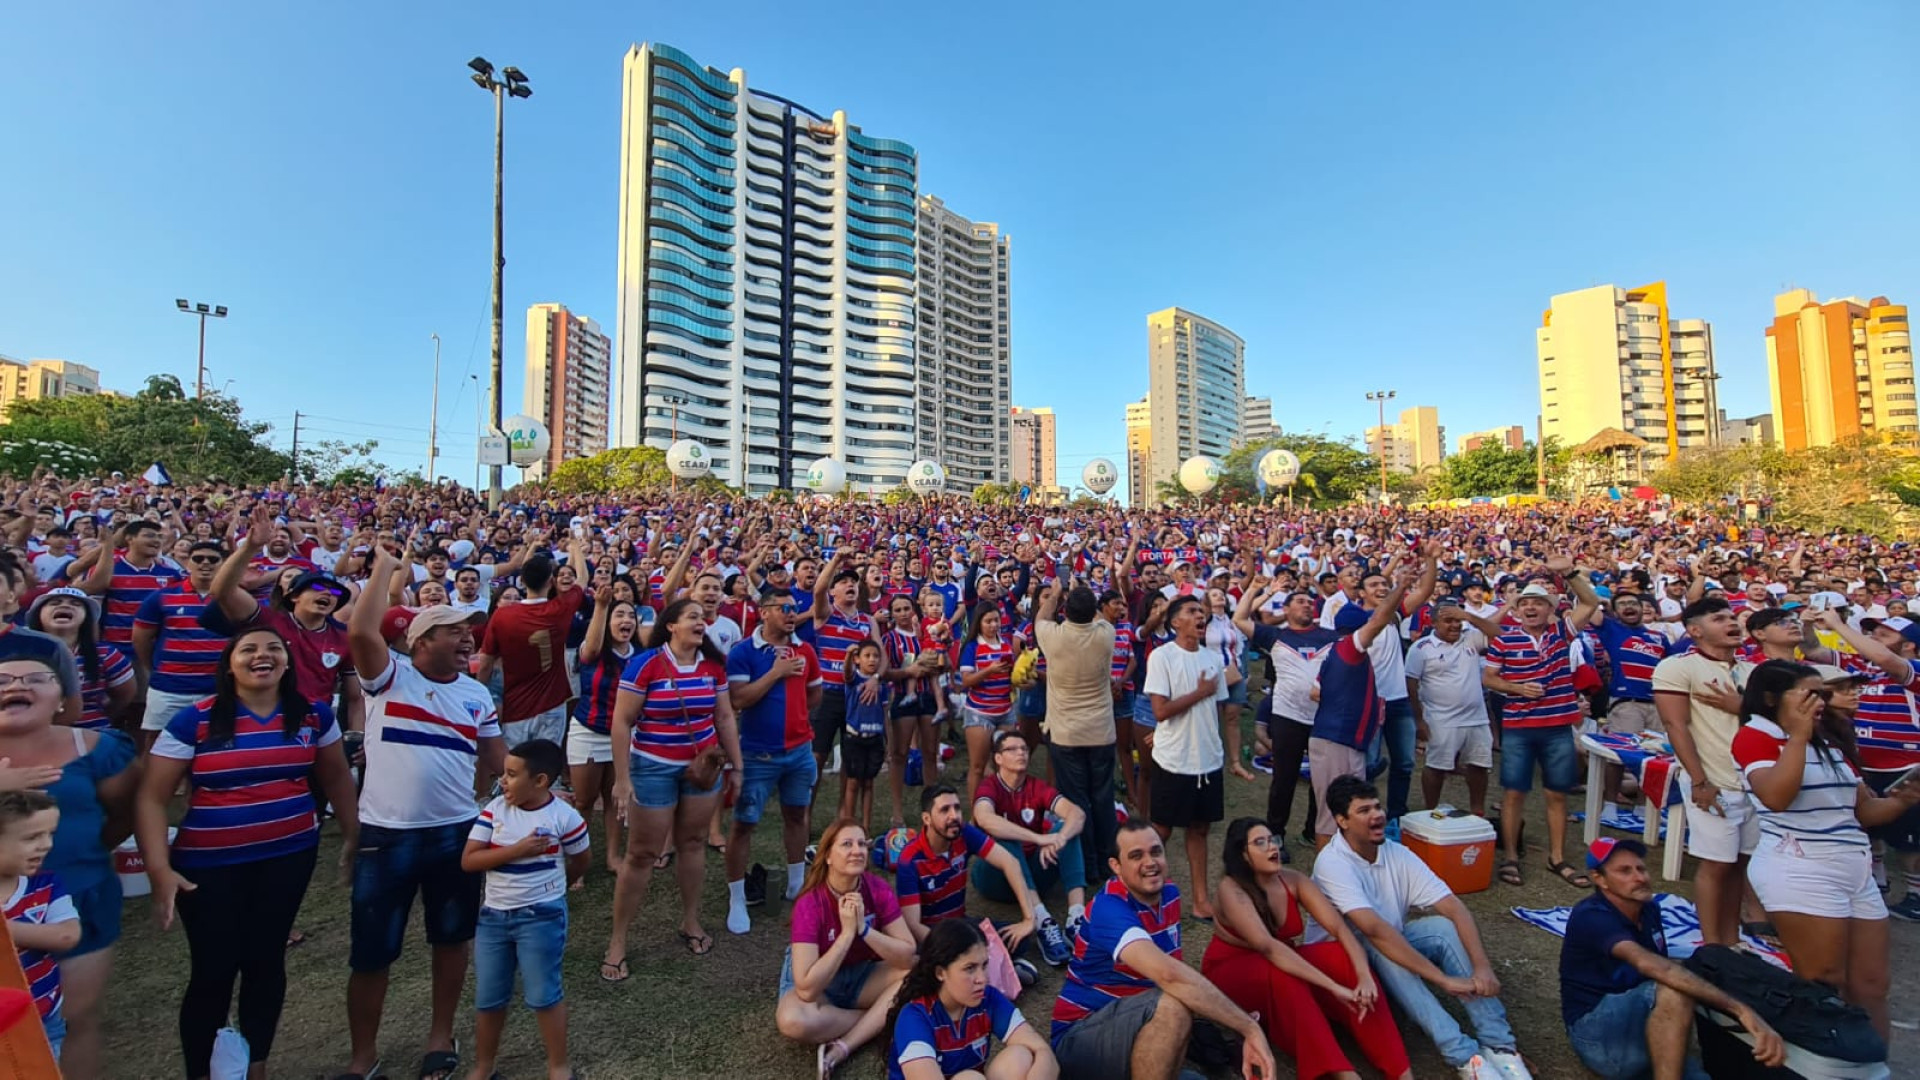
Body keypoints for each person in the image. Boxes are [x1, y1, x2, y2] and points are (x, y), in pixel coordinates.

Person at [136, 625, 360, 1080]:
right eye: (249, 649)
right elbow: (151, 797)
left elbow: (336, 777)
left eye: (274, 648)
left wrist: (354, 835)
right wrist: (159, 870)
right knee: (214, 969)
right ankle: (203, 1071)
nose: (263, 656)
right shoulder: (195, 719)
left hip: (288, 855)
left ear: (288, 661)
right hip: (208, 865)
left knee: (265, 960)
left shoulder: (314, 715)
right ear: (229, 663)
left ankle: (254, 1065)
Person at [339, 545, 504, 1080]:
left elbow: (498, 762)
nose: (468, 638)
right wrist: (387, 569)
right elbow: (362, 634)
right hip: (385, 837)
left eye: (470, 631)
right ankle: (363, 1058)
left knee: (451, 940)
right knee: (371, 953)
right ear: (420, 641)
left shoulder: (478, 694)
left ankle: (440, 1036)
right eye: (454, 630)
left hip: (455, 834)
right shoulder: (390, 677)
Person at [1732, 659, 1920, 1039]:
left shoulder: (1829, 741)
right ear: (1771, 698)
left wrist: (1903, 801)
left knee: (1871, 985)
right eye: (1810, 693)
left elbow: (1862, 810)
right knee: (1823, 980)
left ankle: (1871, 1066)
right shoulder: (1755, 736)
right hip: (1800, 867)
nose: (1821, 701)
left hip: (1853, 868)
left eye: (1823, 693)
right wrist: (1798, 738)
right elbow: (1775, 797)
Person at [1312, 776, 1533, 1080]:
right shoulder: (1332, 862)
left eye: (1377, 807)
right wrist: (1443, 980)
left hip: (1386, 946)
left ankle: (1500, 1046)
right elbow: (1374, 930)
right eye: (1363, 811)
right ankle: (1465, 1057)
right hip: (1341, 962)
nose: (1377, 815)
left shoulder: (1397, 853)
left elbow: (1454, 907)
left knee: (1442, 927)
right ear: (1342, 821)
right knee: (1385, 946)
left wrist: (1482, 968)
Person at [1049, 816, 1275, 1080]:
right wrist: (1249, 1027)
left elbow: (1173, 977)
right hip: (1080, 1039)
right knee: (1175, 1004)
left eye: (1156, 851)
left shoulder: (1169, 895)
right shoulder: (1108, 908)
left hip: (1134, 1026)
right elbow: (1170, 976)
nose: (1150, 863)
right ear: (1116, 866)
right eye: (1136, 856)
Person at [0, 647, 137, 1080]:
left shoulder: (99, 748)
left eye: (36, 678)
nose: (17, 685)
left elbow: (125, 813)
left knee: (73, 1020)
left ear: (62, 698)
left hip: (81, 899)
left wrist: (84, 855)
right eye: (2, 680)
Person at [1560, 837, 1784, 1080]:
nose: (1640, 877)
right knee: (1674, 987)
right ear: (1599, 879)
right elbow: (1652, 966)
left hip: (1645, 1032)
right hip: (1598, 1037)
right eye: (1625, 871)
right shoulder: (1592, 915)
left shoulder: (1649, 909)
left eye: (1641, 868)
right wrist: (1741, 1010)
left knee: (1686, 980)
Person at [1207, 817, 1410, 1080]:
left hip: (1283, 961)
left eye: (1273, 840)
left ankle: (1400, 1070)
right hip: (1234, 972)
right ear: (1243, 855)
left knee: (1339, 955)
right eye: (1260, 843)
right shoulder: (1230, 889)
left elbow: (1339, 928)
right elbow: (1270, 949)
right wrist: (1333, 987)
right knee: (1285, 974)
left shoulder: (1294, 880)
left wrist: (1362, 975)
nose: (1272, 848)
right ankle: (1341, 1072)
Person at [603, 597, 743, 974]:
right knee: (642, 855)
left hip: (701, 770)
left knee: (693, 844)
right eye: (692, 617)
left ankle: (690, 920)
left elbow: (725, 716)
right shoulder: (645, 664)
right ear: (671, 625)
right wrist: (621, 779)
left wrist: (737, 766)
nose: (701, 622)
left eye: (703, 618)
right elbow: (621, 722)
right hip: (652, 768)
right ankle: (618, 939)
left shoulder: (713, 666)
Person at [461, 738, 591, 1080]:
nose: (502, 781)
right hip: (493, 919)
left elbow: (581, 859)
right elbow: (470, 860)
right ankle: (483, 1067)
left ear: (541, 781)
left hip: (542, 917)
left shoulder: (564, 817)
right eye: (503, 773)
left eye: (511, 774)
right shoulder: (494, 811)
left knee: (544, 993)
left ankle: (558, 1067)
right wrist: (517, 850)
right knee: (488, 995)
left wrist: (558, 888)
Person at [1482, 560, 1600, 889]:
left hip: (1557, 726)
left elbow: (1590, 603)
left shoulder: (1561, 632)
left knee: (1556, 794)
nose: (1530, 607)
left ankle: (1557, 857)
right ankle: (1509, 857)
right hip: (1519, 726)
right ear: (1516, 611)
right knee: (1513, 793)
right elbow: (1489, 678)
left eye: (1538, 602)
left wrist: (1570, 573)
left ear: (1550, 609)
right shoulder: (1505, 638)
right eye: (1524, 603)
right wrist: (1518, 688)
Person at [776, 817, 918, 1078]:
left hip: (861, 975)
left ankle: (845, 1045)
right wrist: (847, 934)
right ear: (828, 856)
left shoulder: (878, 889)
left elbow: (908, 956)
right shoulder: (810, 903)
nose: (858, 850)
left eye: (862, 844)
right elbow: (807, 989)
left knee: (918, 975)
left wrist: (864, 930)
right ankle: (879, 1019)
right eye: (847, 844)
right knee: (792, 1020)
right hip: (821, 984)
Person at [1650, 597, 1754, 945]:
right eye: (1719, 618)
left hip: (1753, 783)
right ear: (1695, 630)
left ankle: (1732, 937)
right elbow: (1675, 725)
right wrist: (1699, 781)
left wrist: (1742, 706)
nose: (1732, 622)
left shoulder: (1750, 671)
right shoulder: (1677, 667)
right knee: (1716, 865)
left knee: (1741, 864)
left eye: (1732, 616)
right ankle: (1713, 946)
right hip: (1713, 780)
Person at [723, 586, 822, 934]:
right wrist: (775, 674)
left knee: (797, 814)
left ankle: (798, 882)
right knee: (744, 823)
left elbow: (815, 693)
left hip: (798, 752)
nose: (792, 614)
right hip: (757, 755)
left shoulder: (805, 650)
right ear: (764, 612)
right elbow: (738, 700)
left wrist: (795, 715)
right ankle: (737, 898)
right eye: (784, 608)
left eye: (794, 608)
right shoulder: (743, 653)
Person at [1307, 567, 1411, 846]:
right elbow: (1377, 622)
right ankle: (1328, 879)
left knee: (1349, 808)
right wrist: (1399, 588)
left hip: (1346, 740)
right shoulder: (1349, 647)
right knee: (1332, 815)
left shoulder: (1340, 652)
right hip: (1337, 740)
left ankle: (1347, 868)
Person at [1141, 594, 1229, 919]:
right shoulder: (1162, 657)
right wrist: (1199, 693)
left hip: (1207, 759)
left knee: (1199, 829)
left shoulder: (1212, 659)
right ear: (1175, 621)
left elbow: (1217, 709)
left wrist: (1227, 755)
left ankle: (1201, 900)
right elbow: (1161, 710)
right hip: (1174, 759)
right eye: (1192, 611)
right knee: (1160, 830)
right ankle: (1140, 891)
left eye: (1201, 612)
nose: (1200, 616)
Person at [886, 918, 1060, 1080]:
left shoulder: (987, 998)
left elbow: (1043, 1051)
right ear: (940, 973)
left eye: (984, 965)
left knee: (1021, 1056)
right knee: (971, 1078)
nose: (982, 978)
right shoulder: (915, 1016)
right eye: (970, 968)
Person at [1234, 581, 1338, 849]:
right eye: (1300, 601)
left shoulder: (1330, 636)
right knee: (1284, 778)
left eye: (1309, 602)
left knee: (1322, 779)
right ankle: (1276, 831)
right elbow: (1239, 618)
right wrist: (1258, 590)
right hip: (1287, 716)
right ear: (1286, 609)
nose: (1307, 605)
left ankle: (1314, 831)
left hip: (1323, 718)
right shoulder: (1275, 635)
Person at [971, 729, 1088, 966]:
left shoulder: (1036, 786)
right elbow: (984, 819)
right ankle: (1042, 920)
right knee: (1005, 837)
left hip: (1031, 872)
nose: (1021, 753)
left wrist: (1059, 839)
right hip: (994, 878)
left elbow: (1077, 813)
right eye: (1012, 749)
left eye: (1024, 749)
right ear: (998, 758)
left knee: (1068, 830)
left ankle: (1076, 917)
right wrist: (1038, 839)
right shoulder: (989, 786)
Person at [1031, 584, 1118, 878]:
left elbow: (1040, 618)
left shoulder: (1053, 637)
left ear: (1065, 611)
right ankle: (1108, 861)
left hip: (1066, 733)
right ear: (1094, 610)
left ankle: (1088, 863)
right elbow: (1098, 616)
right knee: (1103, 797)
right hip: (1101, 731)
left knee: (1077, 800)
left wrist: (1056, 593)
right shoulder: (1106, 635)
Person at [474, 537, 587, 754]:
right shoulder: (559, 609)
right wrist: (574, 547)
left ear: (522, 582)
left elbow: (486, 663)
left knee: (515, 767)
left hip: (515, 706)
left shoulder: (502, 616)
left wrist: (480, 693)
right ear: (551, 582)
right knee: (546, 767)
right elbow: (581, 579)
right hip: (552, 705)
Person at [895, 785, 1037, 951]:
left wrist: (1029, 919)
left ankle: (988, 965)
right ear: (926, 819)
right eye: (944, 810)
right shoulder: (909, 860)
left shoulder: (963, 832)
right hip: (931, 937)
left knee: (1018, 938)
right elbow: (913, 925)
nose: (954, 816)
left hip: (959, 925)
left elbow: (1010, 862)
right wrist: (950, 952)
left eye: (957, 808)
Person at [0, 789, 78, 1063]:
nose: (46, 845)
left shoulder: (46, 885)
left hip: (42, 1019)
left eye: (50, 834)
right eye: (32, 837)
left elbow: (67, 935)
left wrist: (6, 930)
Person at [568, 586, 638, 880]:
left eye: (631, 615)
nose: (626, 620)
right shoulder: (594, 651)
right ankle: (579, 860)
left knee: (615, 799)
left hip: (624, 737)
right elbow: (592, 647)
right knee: (583, 801)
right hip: (588, 731)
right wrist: (600, 605)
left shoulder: (641, 656)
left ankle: (612, 856)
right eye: (619, 614)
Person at [131, 540, 228, 751]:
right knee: (156, 742)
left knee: (214, 745)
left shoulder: (235, 600)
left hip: (218, 689)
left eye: (213, 560)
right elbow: (141, 639)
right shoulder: (161, 597)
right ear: (187, 563)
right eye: (198, 559)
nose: (205, 564)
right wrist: (155, 668)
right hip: (168, 688)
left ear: (224, 564)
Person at [1406, 602, 1493, 816]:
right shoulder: (1421, 648)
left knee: (1479, 766)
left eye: (1457, 620)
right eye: (1448, 621)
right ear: (1434, 623)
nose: (1455, 625)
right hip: (1441, 719)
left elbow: (1499, 634)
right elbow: (1411, 684)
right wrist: (1419, 720)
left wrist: (1469, 617)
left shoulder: (1470, 637)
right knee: (1437, 767)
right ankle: (1430, 810)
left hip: (1476, 718)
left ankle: (1477, 811)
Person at [25, 588, 134, 733]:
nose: (65, 606)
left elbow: (125, 694)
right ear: (38, 615)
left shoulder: (105, 654)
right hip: (33, 734)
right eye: (55, 603)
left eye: (75, 604)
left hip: (92, 735)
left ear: (86, 618)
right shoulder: (21, 652)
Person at [958, 603, 1019, 805]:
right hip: (979, 711)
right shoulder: (972, 647)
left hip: (1005, 710)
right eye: (988, 621)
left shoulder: (1006, 644)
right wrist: (988, 671)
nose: (993, 625)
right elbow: (966, 681)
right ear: (979, 623)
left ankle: (1000, 807)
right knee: (977, 766)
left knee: (1005, 764)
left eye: (996, 620)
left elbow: (1012, 675)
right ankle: (976, 814)